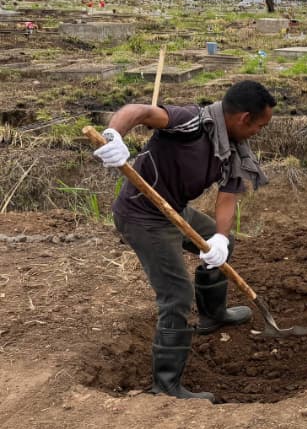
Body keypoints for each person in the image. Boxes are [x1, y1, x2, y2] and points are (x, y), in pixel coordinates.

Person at [92, 80, 277, 401]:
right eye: (260, 125)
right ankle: (166, 385)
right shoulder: (190, 121)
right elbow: (138, 111)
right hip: (143, 217)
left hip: (173, 210)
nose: (259, 132)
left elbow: (228, 197)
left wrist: (218, 238)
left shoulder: (232, 148)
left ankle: (212, 315)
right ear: (244, 118)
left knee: (224, 242)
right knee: (176, 295)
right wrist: (114, 136)